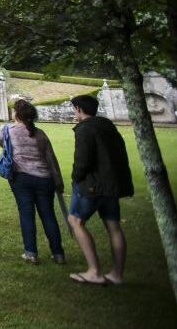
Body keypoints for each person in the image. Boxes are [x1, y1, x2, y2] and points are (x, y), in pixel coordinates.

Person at [67, 94, 133, 286]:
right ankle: (117, 274)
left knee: (75, 221)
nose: (74, 112)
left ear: (79, 108)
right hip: (112, 185)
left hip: (93, 185)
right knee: (113, 226)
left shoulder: (84, 129)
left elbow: (82, 160)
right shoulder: (107, 126)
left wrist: (76, 177)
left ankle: (94, 271)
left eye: (74, 108)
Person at [0, 99, 65, 264]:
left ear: (17, 114)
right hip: (45, 178)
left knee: (26, 214)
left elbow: (1, 143)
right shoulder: (40, 134)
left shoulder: (7, 131)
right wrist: (58, 181)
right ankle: (58, 254)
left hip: (21, 178)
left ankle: (31, 252)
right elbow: (51, 159)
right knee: (48, 215)